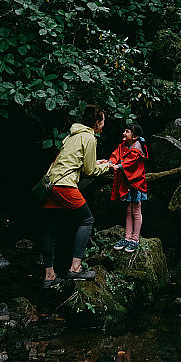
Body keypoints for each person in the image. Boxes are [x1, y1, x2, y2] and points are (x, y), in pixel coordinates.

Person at [40, 103, 118, 287]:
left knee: (51, 230)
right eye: (103, 121)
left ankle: (49, 276)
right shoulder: (90, 138)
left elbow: (73, 161)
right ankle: (75, 269)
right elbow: (90, 171)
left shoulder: (72, 135)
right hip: (65, 186)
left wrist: (97, 162)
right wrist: (108, 166)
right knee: (87, 220)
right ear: (97, 122)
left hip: (52, 184)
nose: (104, 124)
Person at [108, 123, 149, 253]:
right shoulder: (123, 146)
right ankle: (127, 237)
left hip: (136, 184)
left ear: (135, 136)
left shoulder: (137, 148)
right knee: (128, 210)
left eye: (127, 131)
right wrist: (110, 163)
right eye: (124, 131)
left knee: (136, 210)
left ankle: (135, 239)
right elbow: (115, 155)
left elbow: (130, 162)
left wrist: (118, 166)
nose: (124, 133)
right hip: (127, 184)